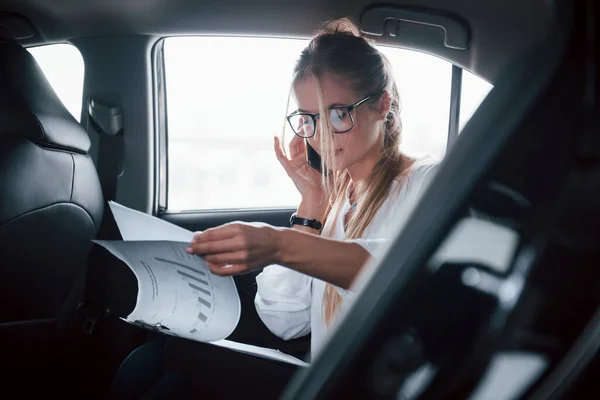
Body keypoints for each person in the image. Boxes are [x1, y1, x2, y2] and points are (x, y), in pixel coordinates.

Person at [109, 17, 438, 399]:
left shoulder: (428, 182)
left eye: (338, 114)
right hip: (322, 379)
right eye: (309, 119)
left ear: (382, 105)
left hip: (366, 387)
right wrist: (311, 208)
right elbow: (283, 321)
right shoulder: (336, 203)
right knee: (151, 365)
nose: (321, 137)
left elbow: (404, 272)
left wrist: (281, 244)